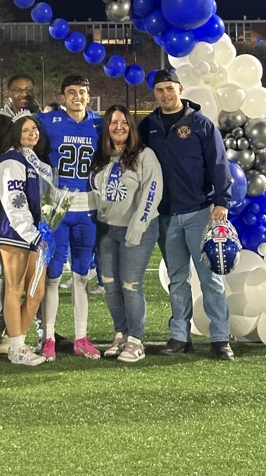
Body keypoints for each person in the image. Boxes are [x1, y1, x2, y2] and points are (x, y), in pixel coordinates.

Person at [137, 69, 234, 361]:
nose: (165, 94)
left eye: (169, 88)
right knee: (177, 279)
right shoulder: (147, 126)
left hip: (199, 211)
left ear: (180, 89)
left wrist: (222, 201)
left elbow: (218, 164)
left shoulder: (201, 125)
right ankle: (180, 335)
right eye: (159, 90)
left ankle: (220, 337)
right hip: (165, 214)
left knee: (210, 277)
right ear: (154, 94)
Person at [90, 105, 163, 363]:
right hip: (106, 230)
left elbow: (151, 191)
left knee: (130, 285)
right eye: (113, 123)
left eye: (123, 122)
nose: (118, 127)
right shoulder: (100, 157)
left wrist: (138, 224)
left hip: (137, 228)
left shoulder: (145, 155)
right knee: (110, 285)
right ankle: (120, 333)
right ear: (106, 127)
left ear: (130, 127)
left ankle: (136, 340)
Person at [38, 75, 102, 360]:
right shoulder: (47, 123)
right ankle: (48, 337)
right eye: (71, 92)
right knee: (52, 277)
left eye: (82, 92)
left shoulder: (100, 124)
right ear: (61, 97)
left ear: (89, 96)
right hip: (58, 209)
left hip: (88, 207)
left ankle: (80, 336)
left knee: (80, 277)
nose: (77, 96)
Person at [0, 114, 51, 366]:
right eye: (26, 129)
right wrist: (32, 233)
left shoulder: (37, 161)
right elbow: (14, 202)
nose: (32, 133)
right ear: (15, 132)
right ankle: (16, 348)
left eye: (35, 129)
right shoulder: (10, 161)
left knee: (36, 292)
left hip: (37, 234)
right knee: (15, 289)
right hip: (13, 233)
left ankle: (18, 342)